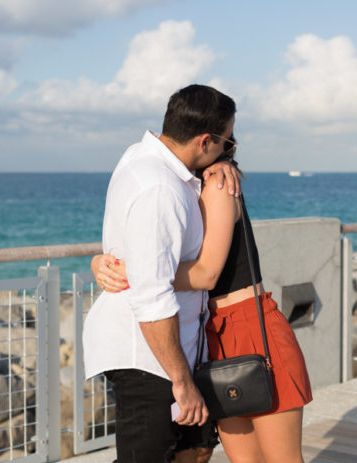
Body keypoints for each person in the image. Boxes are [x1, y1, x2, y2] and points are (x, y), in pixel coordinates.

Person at [93, 139, 313, 462]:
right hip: (210, 336)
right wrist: (101, 261)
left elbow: (207, 273)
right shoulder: (177, 189)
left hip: (251, 327)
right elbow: (149, 242)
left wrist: (138, 272)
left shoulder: (219, 183)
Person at [82, 84, 241, 463]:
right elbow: (152, 295)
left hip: (176, 349)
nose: (231, 149)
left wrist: (224, 164)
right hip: (147, 357)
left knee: (197, 448)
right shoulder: (160, 187)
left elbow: (133, 242)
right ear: (205, 140)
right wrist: (182, 383)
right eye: (228, 142)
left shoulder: (146, 159)